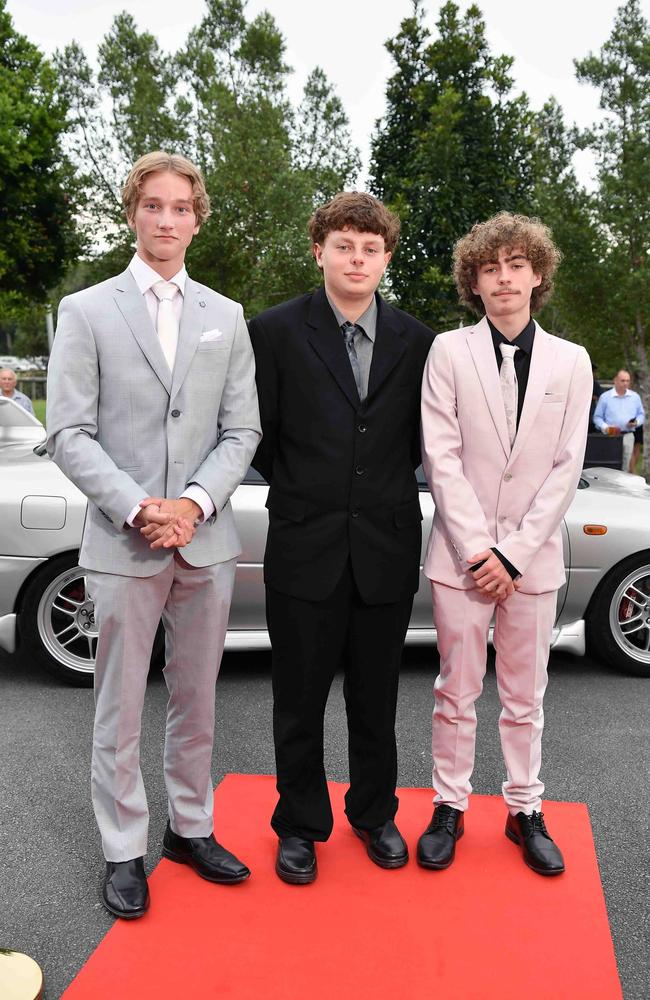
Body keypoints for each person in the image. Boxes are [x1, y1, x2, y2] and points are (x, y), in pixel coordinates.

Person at [46, 151, 261, 919]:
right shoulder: (87, 311)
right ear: (132, 213)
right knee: (120, 702)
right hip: (124, 540)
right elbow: (68, 431)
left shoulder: (225, 317)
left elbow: (242, 429)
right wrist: (142, 507)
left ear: (198, 221)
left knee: (197, 699)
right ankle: (123, 848)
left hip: (205, 541)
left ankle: (190, 829)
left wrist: (195, 504)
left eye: (181, 208)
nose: (167, 220)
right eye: (153, 206)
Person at [249, 192, 433, 884]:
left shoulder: (419, 342)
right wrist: (312, 492)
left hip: (385, 547)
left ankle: (374, 813)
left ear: (385, 257)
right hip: (304, 543)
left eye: (370, 248)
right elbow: (260, 438)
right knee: (297, 701)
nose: (357, 259)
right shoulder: (273, 332)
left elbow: (423, 441)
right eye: (343, 245)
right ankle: (299, 825)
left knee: (376, 699)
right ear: (319, 249)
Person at [419, 212, 591, 876]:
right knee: (454, 690)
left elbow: (564, 467)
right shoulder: (447, 351)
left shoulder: (571, 362)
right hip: (460, 558)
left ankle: (524, 809)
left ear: (537, 273)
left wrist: (513, 554)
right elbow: (442, 457)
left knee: (526, 695)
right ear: (474, 281)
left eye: (516, 265)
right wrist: (479, 551)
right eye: (490, 268)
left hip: (534, 562)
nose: (503, 278)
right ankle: (449, 806)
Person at [593, 369, 645, 472]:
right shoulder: (605, 397)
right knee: (610, 464)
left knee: (626, 464)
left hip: (628, 435)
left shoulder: (635, 397)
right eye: (622, 380)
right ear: (615, 380)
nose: (625, 383)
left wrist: (636, 422)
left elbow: (641, 415)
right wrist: (605, 427)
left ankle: (622, 487)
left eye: (627, 381)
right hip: (610, 436)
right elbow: (597, 417)